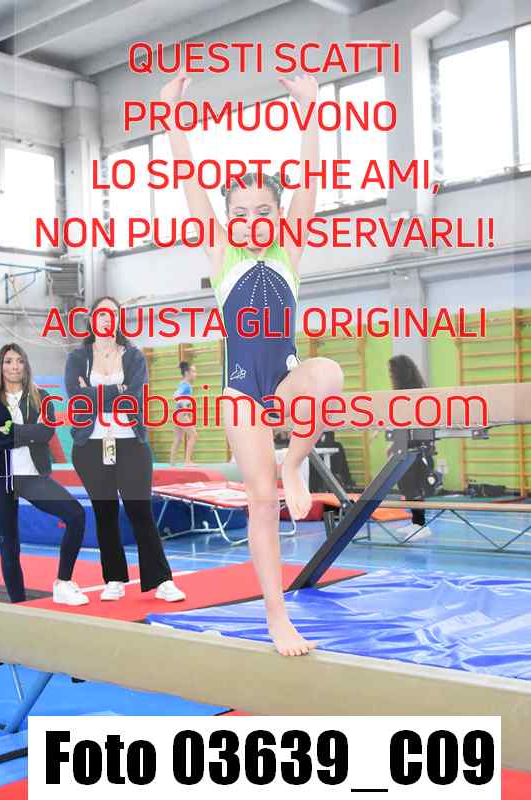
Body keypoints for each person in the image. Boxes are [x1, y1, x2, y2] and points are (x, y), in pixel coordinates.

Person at [161, 71, 344, 656]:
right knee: (261, 505)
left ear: (278, 213)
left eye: (264, 209)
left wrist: (311, 108)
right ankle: (276, 616)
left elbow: (310, 178)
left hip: (285, 382)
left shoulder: (290, 249)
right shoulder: (221, 254)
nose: (253, 219)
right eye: (240, 211)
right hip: (242, 394)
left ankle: (296, 461)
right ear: (229, 218)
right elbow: (188, 180)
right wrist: (172, 116)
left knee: (330, 374)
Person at [65, 296, 186, 602]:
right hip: (91, 446)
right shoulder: (77, 358)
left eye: (113, 314)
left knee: (139, 510)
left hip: (130, 442)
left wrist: (94, 393)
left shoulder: (133, 356)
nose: (107, 319)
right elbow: (76, 398)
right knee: (105, 512)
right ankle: (114, 578)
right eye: (101, 314)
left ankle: (162, 580)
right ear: (92, 319)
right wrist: (115, 390)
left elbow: (134, 398)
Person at [0, 343, 88, 605]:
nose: (14, 366)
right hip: (2, 478)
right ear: (0, 366)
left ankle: (63, 582)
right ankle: (19, 605)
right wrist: (27, 433)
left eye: (19, 361)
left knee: (76, 515)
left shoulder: (41, 396)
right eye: (8, 361)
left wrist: (9, 432)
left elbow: (46, 432)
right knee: (9, 546)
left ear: (26, 364)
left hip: (31, 476)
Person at [388, 354, 433, 541]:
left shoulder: (416, 393)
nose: (390, 375)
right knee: (406, 486)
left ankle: (421, 525)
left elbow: (417, 422)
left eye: (392, 371)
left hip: (416, 446)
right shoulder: (399, 393)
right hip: (405, 443)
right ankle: (416, 522)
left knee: (414, 487)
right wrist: (394, 444)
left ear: (401, 372)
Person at [170, 361, 197, 464]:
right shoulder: (186, 385)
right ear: (187, 373)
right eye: (193, 371)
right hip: (181, 413)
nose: (195, 374)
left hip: (177, 413)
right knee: (194, 435)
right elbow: (176, 395)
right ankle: (187, 460)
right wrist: (184, 406)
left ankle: (172, 462)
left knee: (178, 438)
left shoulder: (183, 384)